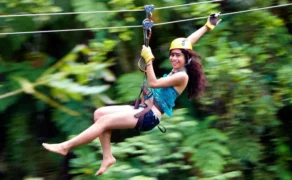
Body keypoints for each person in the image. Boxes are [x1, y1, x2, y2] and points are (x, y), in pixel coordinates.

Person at [42, 13, 221, 176]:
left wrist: (149, 59)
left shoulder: (182, 76)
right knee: (99, 113)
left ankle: (66, 147)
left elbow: (154, 83)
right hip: (144, 107)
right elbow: (188, 41)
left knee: (105, 122)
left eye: (178, 56)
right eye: (172, 55)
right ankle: (108, 157)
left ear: (186, 58)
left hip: (150, 115)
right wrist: (207, 26)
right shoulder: (178, 69)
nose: (173, 58)